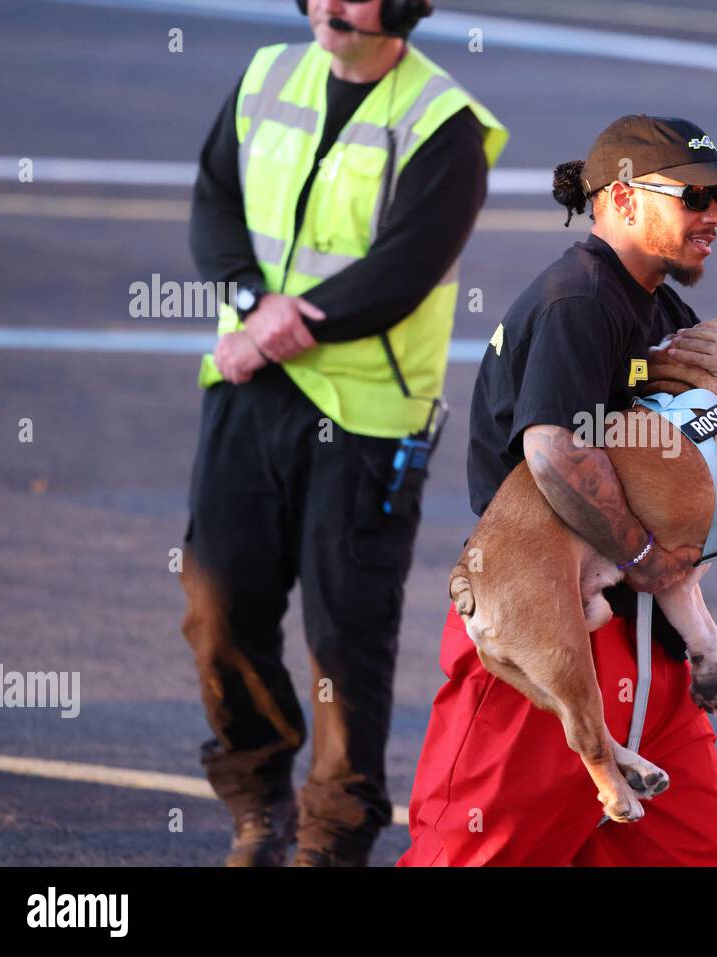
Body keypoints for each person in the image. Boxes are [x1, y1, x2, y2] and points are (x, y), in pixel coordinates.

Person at [398, 115, 717, 866]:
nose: (714, 216)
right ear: (626, 197)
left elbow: (714, 455)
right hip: (555, 643)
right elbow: (553, 454)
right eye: (696, 197)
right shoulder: (575, 301)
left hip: (654, 659)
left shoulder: (663, 308)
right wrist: (646, 555)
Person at [178, 0, 507, 867]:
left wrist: (285, 325)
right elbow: (215, 203)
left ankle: (333, 830)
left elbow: (407, 266)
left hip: (365, 415)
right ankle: (257, 800)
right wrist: (253, 307)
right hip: (251, 390)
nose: (329, 4)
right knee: (219, 609)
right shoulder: (267, 75)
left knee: (345, 635)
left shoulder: (445, 124)